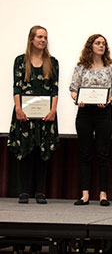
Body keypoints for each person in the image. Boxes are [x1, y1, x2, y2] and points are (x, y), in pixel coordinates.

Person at [70, 34, 112, 206]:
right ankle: (85, 194)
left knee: (103, 154)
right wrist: (78, 98)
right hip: (85, 112)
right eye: (98, 43)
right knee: (85, 154)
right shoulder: (80, 67)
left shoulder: (111, 67)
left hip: (104, 113)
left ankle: (103, 194)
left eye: (104, 44)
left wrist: (109, 99)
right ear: (90, 46)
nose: (101, 46)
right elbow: (73, 89)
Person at [7, 25, 59, 204]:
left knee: (42, 152)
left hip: (46, 115)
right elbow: (17, 86)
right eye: (39, 37)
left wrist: (53, 111)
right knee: (25, 151)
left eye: (45, 37)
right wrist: (18, 109)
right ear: (31, 39)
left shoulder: (52, 62)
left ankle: (39, 191)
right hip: (24, 114)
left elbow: (54, 89)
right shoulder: (21, 61)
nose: (43, 40)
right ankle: (24, 192)